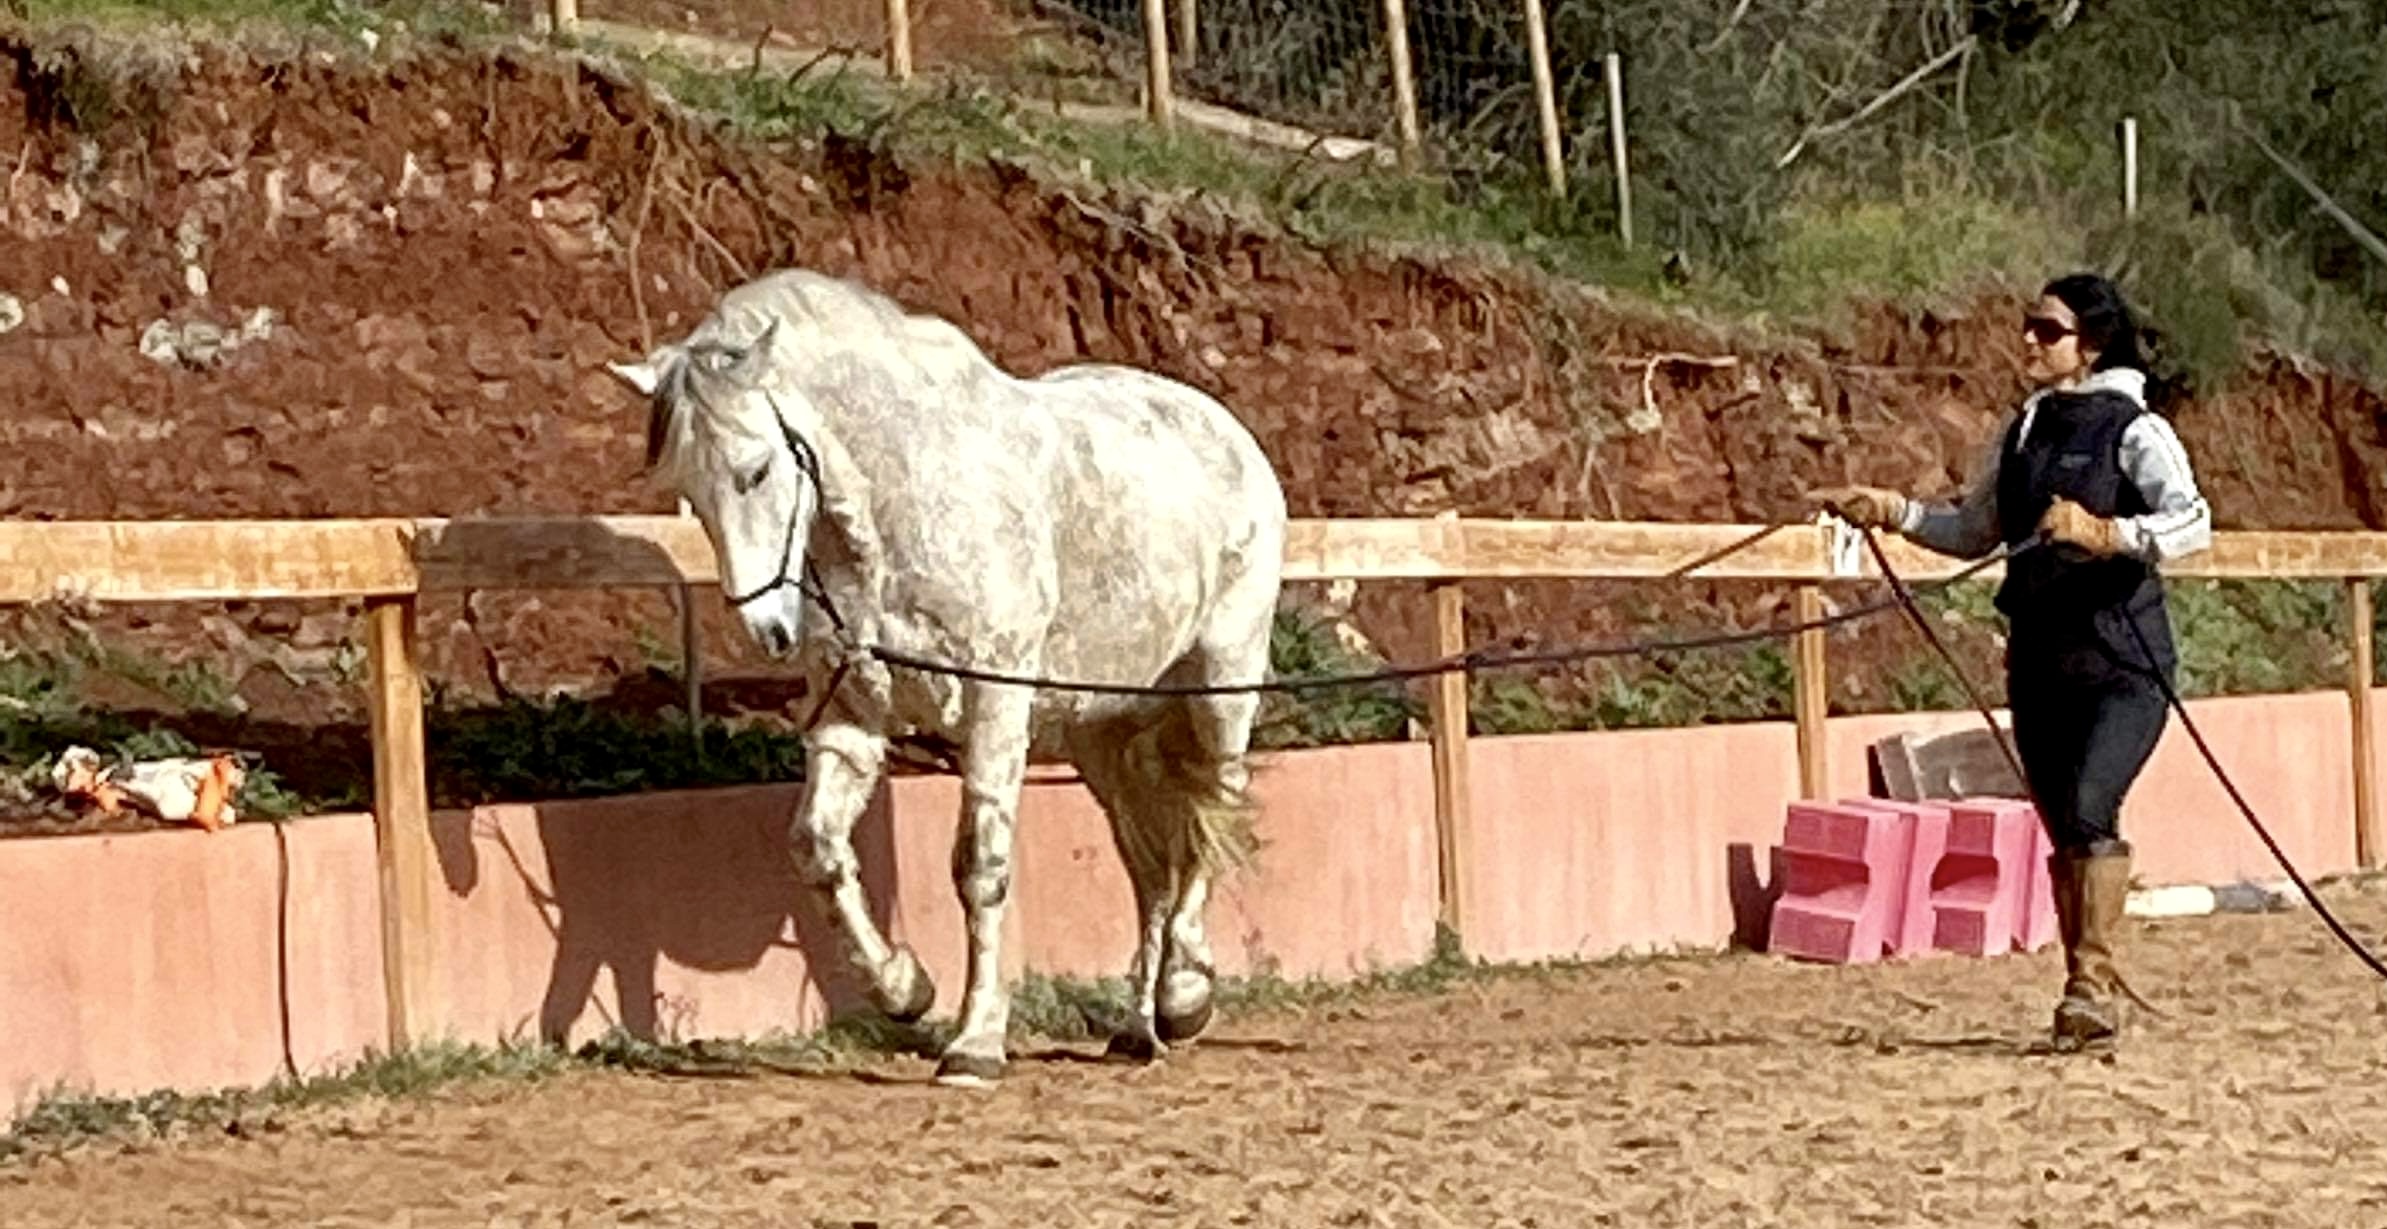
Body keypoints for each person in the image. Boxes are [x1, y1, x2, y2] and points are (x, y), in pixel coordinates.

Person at [1807, 272, 2212, 1051]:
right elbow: (1973, 529)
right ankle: (2084, 985)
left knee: (2092, 806)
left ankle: (2089, 981)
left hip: (2121, 661)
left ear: (2089, 344)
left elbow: (2190, 521)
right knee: (2064, 825)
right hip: (2039, 656)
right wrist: (1890, 511)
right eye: (2028, 327)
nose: (2028, 340)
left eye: (2047, 330)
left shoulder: (2135, 429)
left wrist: (2109, 533)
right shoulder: (2022, 429)